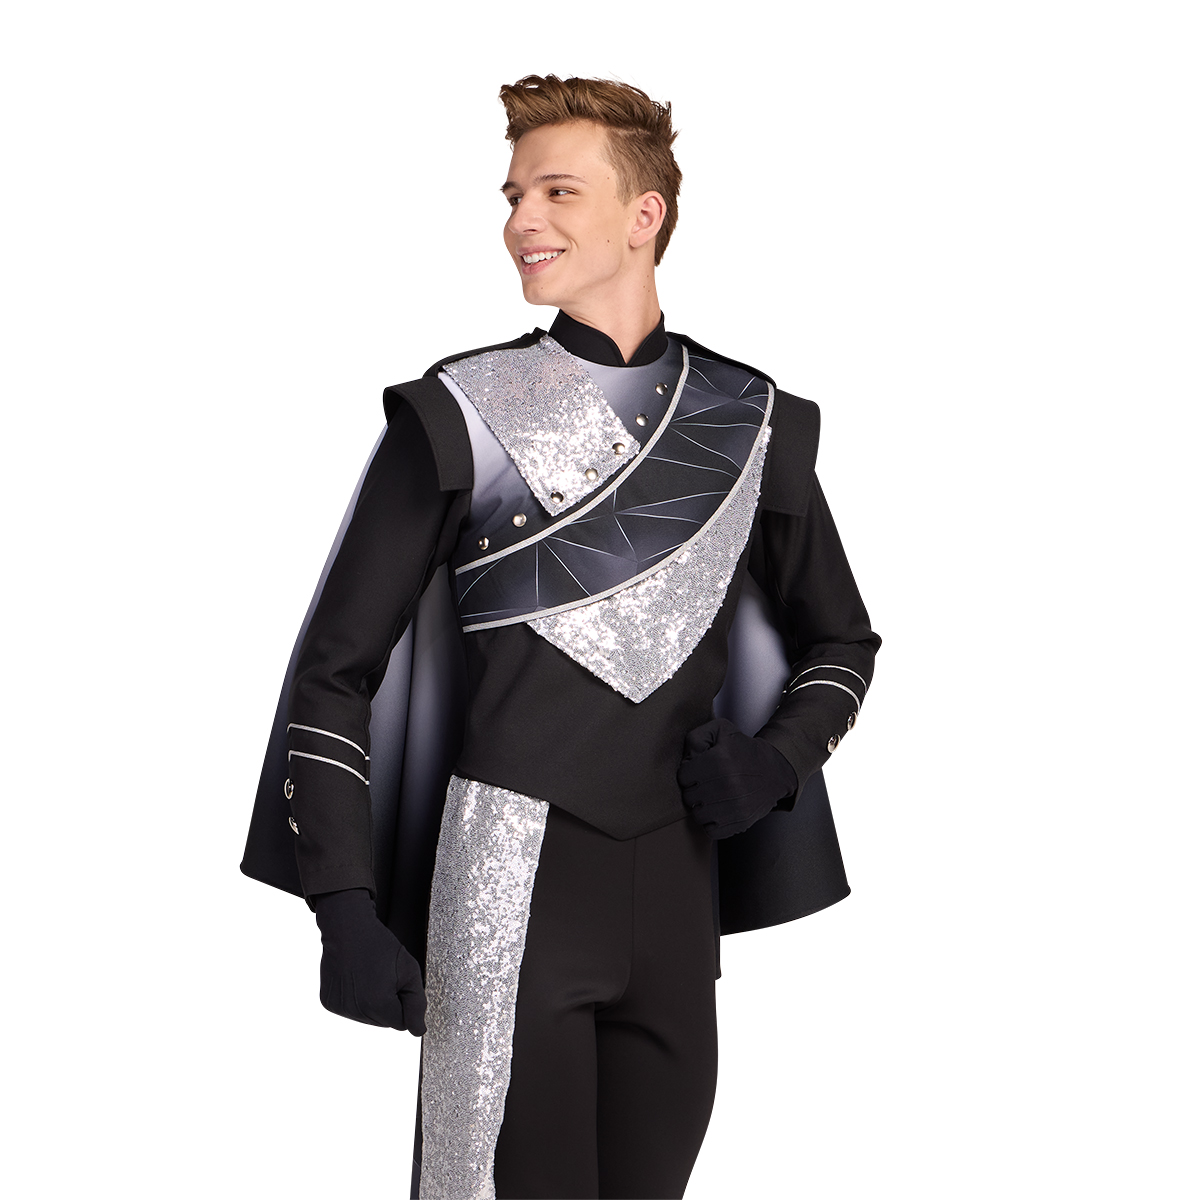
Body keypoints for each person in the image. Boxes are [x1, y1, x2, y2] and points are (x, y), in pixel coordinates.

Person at [242, 74, 880, 1200]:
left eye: (556, 192)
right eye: (513, 195)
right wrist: (342, 906)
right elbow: (335, 675)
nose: (521, 220)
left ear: (645, 215)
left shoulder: (752, 419)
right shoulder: (461, 413)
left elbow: (842, 640)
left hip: (676, 908)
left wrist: (777, 761)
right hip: (505, 890)